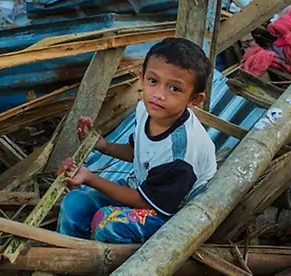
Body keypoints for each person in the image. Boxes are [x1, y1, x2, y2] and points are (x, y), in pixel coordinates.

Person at [56, 37, 217, 243]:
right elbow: (138, 151)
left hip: (170, 212)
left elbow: (147, 202)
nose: (159, 94)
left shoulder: (182, 153)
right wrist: (102, 145)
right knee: (74, 203)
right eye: (153, 81)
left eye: (174, 89)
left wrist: (90, 178)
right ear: (141, 78)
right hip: (143, 188)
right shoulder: (146, 109)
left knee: (106, 224)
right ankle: (69, 257)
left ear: (194, 100)